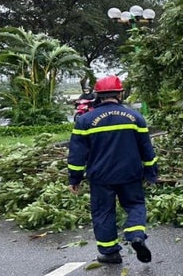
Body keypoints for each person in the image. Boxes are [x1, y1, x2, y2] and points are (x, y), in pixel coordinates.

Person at [67, 75, 158, 264]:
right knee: (135, 205)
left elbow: (77, 155)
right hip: (130, 174)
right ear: (120, 94)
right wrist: (151, 173)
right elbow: (146, 149)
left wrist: (74, 178)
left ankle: (109, 253)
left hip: (100, 177)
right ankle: (136, 235)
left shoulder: (85, 120)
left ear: (97, 95)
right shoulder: (135, 118)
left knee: (103, 212)